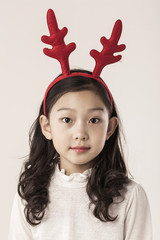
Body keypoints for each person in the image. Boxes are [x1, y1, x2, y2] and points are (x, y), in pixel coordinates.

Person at [8, 9, 152, 240]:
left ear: (110, 128)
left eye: (94, 120)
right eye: (67, 120)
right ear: (47, 126)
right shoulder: (30, 194)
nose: (80, 133)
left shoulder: (129, 196)